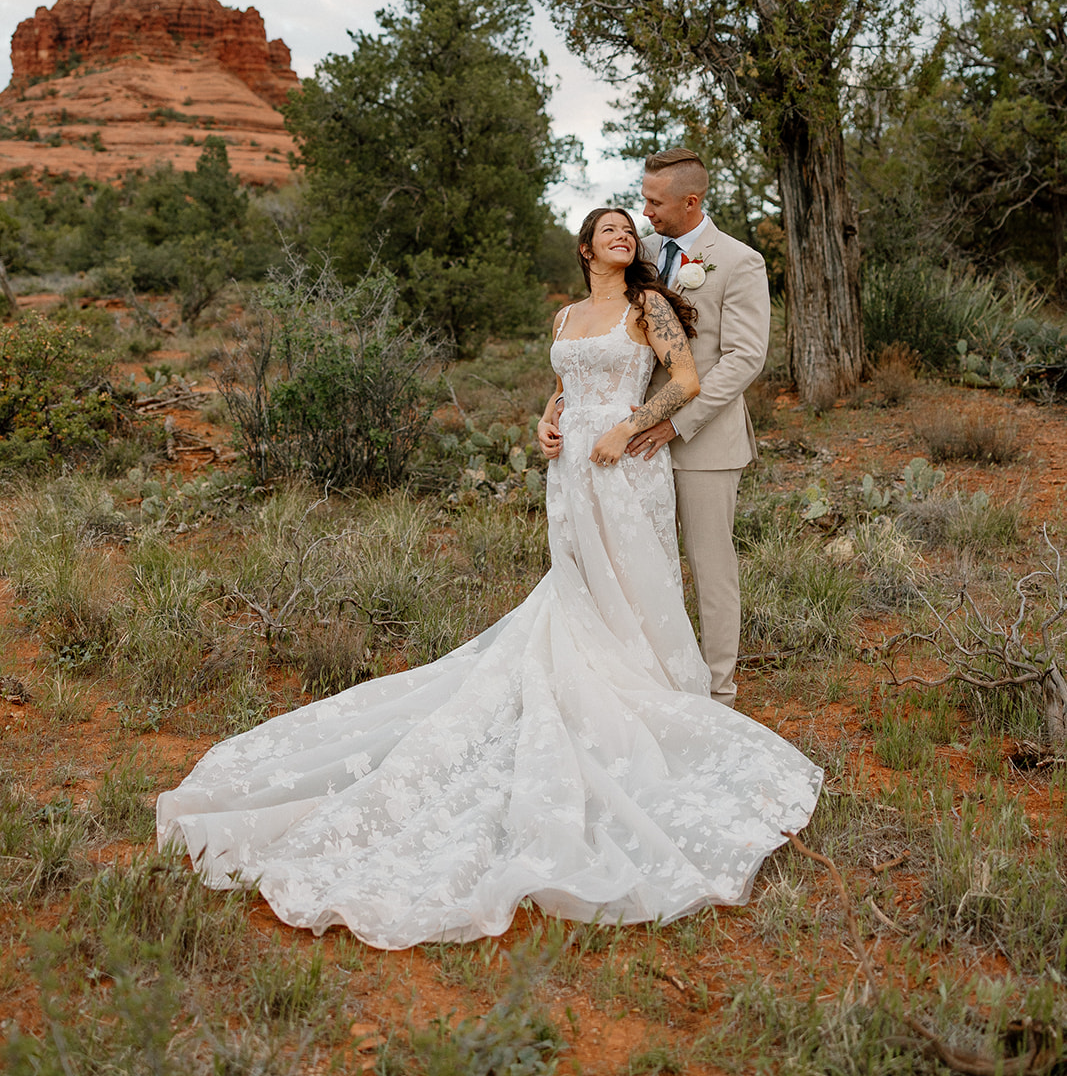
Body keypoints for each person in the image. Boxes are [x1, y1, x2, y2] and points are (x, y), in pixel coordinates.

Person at [157, 207, 819, 951]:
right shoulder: (569, 313)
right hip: (570, 469)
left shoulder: (650, 305)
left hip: (625, 466)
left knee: (636, 583)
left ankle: (642, 685)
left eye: (629, 232)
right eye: (609, 230)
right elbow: (564, 385)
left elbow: (688, 378)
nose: (622, 238)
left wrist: (625, 428)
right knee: (576, 583)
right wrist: (548, 420)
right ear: (583, 247)